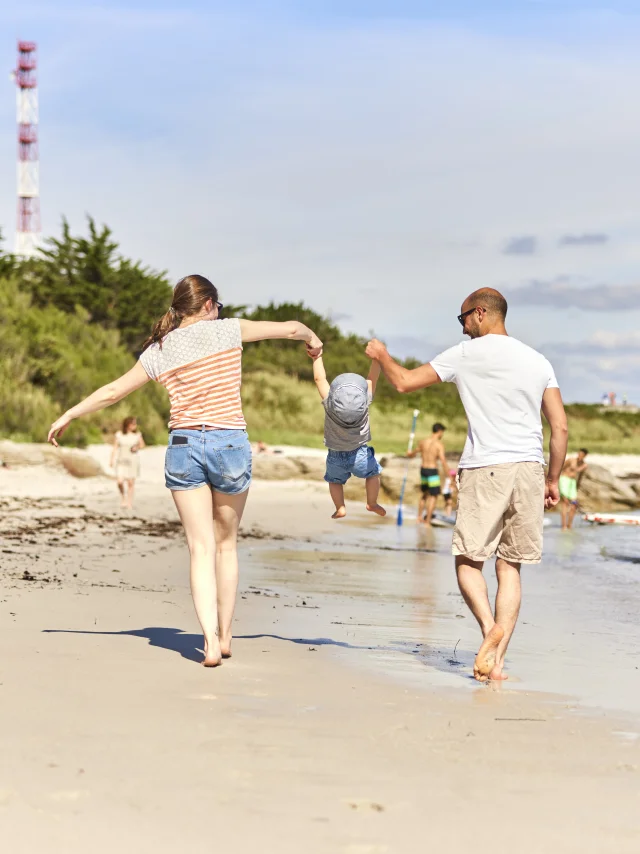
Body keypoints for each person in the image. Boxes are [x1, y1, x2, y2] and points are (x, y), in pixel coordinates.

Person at [48, 274, 323, 668]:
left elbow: (113, 392)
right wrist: (314, 341)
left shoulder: (159, 349)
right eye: (218, 306)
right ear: (208, 303)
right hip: (229, 444)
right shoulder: (229, 331)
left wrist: (69, 414)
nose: (220, 312)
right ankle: (225, 636)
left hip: (183, 445)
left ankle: (208, 642)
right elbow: (293, 328)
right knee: (226, 546)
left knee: (200, 548)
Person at [366, 288, 568, 682]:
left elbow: (404, 382)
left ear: (479, 313)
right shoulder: (538, 360)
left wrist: (382, 355)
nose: (462, 329)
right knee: (510, 567)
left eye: (462, 320)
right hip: (530, 468)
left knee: (468, 562)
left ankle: (489, 627)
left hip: (486, 467)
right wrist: (553, 479)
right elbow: (559, 427)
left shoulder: (465, 354)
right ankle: (497, 664)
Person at [311, 353, 385, 519]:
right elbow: (371, 379)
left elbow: (319, 379)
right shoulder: (365, 403)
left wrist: (317, 357)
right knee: (373, 474)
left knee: (334, 481)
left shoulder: (330, 404)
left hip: (335, 456)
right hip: (360, 455)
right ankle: (372, 502)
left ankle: (340, 507)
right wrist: (377, 359)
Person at [409, 423, 447, 526]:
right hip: (432, 471)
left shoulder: (423, 442)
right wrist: (449, 475)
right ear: (439, 431)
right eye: (442, 432)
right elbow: (443, 461)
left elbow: (412, 454)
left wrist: (409, 453)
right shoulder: (439, 444)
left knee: (424, 494)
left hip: (423, 470)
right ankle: (428, 520)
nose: (442, 434)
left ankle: (419, 517)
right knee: (433, 496)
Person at [110, 416, 145, 509]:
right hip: (121, 460)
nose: (135, 425)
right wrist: (111, 459)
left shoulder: (137, 435)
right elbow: (115, 447)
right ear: (127, 424)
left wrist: (136, 447)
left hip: (133, 460)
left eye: (135, 423)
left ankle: (129, 502)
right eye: (133, 423)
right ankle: (123, 497)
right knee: (119, 481)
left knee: (130, 483)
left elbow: (142, 445)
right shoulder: (119, 434)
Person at [559, 448, 588, 531]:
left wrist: (577, 486)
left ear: (585, 456)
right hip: (564, 479)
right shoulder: (571, 460)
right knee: (565, 503)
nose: (580, 456)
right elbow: (561, 468)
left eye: (582, 455)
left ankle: (569, 525)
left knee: (574, 504)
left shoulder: (584, 465)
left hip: (572, 482)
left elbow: (580, 477)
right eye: (579, 454)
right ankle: (563, 526)